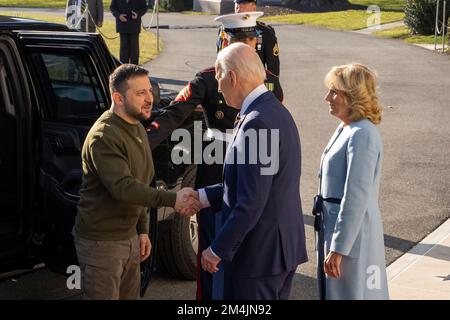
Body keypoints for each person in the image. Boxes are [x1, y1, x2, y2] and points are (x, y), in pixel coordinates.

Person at [148, 11, 283, 300]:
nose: (247, 49)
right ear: (225, 41)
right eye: (241, 42)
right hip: (217, 162)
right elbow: (174, 114)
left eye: (250, 43)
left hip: (256, 163)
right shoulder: (209, 78)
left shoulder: (269, 80)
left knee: (249, 242)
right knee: (212, 239)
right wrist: (143, 143)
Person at [72, 64, 200, 300]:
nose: (149, 99)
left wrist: (141, 231)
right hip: (102, 244)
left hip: (128, 237)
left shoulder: (137, 127)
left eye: (149, 91)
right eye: (140, 93)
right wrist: (174, 199)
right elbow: (124, 187)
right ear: (118, 98)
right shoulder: (104, 136)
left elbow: (141, 181)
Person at [194, 42, 307, 300]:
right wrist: (201, 197)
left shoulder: (256, 122)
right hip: (276, 251)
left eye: (220, 79)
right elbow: (253, 185)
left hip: (259, 256)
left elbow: (251, 201)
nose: (219, 88)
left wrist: (217, 249)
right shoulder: (274, 111)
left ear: (232, 77)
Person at [315, 63, 389, 300]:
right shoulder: (347, 127)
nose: (328, 97)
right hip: (336, 230)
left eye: (334, 92)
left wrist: (339, 247)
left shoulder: (362, 134)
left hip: (349, 238)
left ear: (353, 96)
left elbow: (356, 197)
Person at [217, 0, 280, 77]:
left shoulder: (265, 31)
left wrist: (267, 86)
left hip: (254, 81)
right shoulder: (224, 30)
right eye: (237, 3)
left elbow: (273, 68)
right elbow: (220, 59)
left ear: (254, 7)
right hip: (229, 79)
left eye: (244, 3)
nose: (239, 6)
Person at [110, 0, 147, 65]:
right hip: (122, 26)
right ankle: (124, 70)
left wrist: (138, 14)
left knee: (134, 50)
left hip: (134, 26)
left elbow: (144, 7)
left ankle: (134, 70)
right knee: (123, 49)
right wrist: (119, 15)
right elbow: (112, 7)